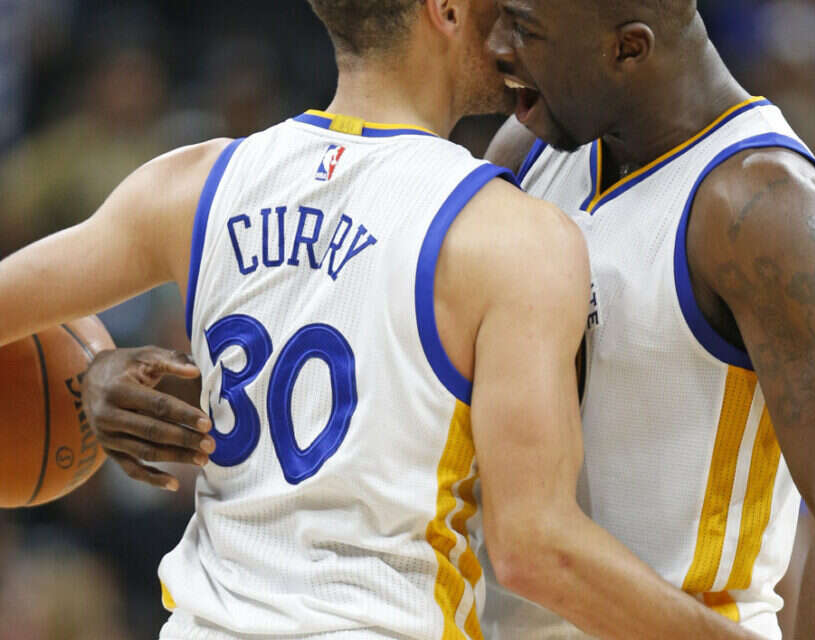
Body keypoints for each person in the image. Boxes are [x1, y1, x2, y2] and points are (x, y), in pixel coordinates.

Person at [0, 1, 762, 639]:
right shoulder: (513, 238)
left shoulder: (192, 184)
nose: (517, 24)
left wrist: (95, 361)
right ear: (447, 10)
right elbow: (534, 551)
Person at [472, 1, 815, 639]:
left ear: (629, 48)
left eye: (525, 29)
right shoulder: (528, 151)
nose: (497, 46)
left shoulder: (769, 208)